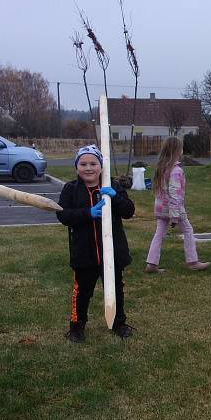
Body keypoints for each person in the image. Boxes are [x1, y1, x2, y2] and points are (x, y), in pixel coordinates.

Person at [56, 145, 136, 342]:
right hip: (85, 253)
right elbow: (63, 215)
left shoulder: (113, 187)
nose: (88, 168)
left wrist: (116, 198)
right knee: (82, 292)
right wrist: (88, 213)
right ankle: (77, 327)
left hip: (112, 253)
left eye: (93, 163)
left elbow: (129, 211)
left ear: (101, 166)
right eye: (83, 164)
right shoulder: (71, 189)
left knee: (116, 289)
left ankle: (119, 323)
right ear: (76, 167)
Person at [145, 136, 210, 273]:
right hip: (173, 208)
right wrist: (174, 216)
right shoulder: (176, 170)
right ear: (177, 151)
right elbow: (175, 193)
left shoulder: (161, 168)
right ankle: (193, 261)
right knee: (187, 230)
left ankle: (151, 264)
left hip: (161, 208)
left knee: (159, 234)